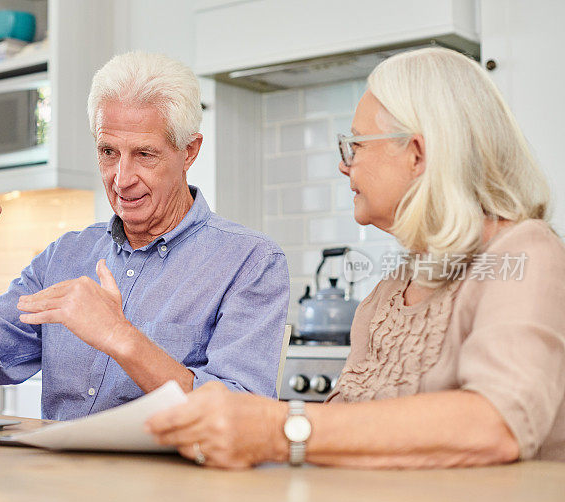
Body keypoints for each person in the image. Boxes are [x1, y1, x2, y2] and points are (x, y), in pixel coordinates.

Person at [146, 46, 565, 468]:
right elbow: (344, 430)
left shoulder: (524, 253)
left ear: (417, 155)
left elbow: (496, 425)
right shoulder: (391, 290)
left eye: (356, 145)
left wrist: (277, 428)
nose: (345, 166)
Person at [0, 51, 289, 421]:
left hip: (170, 485)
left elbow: (243, 418)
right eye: (108, 151)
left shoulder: (250, 261)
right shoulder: (64, 257)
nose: (122, 179)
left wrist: (119, 336)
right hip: (59, 481)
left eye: (144, 154)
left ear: (189, 151)